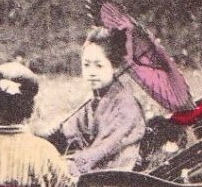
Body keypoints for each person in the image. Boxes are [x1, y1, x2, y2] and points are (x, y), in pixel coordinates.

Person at [47, 26, 147, 175]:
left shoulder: (126, 107)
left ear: (115, 66)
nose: (92, 73)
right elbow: (73, 132)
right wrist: (54, 136)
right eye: (86, 65)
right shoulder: (93, 99)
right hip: (93, 167)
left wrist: (64, 165)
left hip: (113, 173)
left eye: (99, 66)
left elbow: (101, 151)